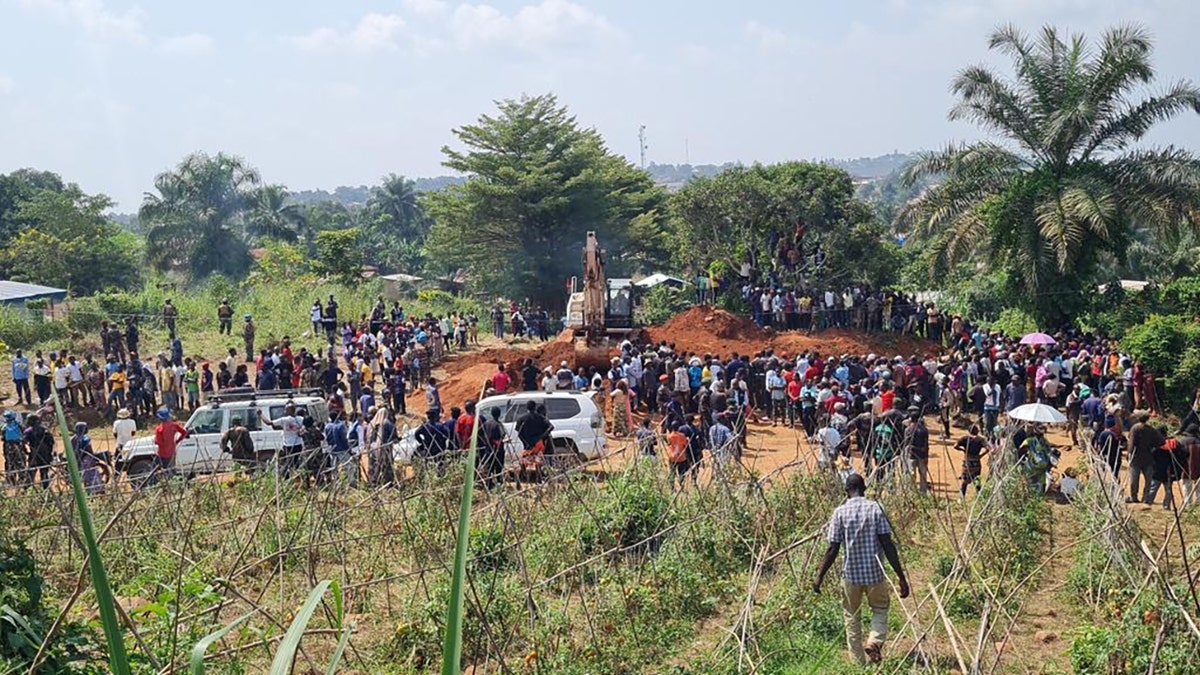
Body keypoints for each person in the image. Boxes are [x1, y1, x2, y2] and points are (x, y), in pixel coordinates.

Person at [813, 473, 910, 666]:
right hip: (875, 574)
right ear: (864, 489)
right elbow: (887, 544)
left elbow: (833, 549)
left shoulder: (839, 513)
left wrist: (819, 577)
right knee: (880, 608)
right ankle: (874, 641)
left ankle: (858, 664)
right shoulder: (876, 508)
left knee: (851, 617)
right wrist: (901, 576)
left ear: (846, 492)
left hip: (851, 576)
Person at [1127, 411, 1164, 504]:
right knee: (1148, 479)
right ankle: (1146, 497)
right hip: (1148, 457)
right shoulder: (1151, 429)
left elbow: (1131, 442)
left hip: (1136, 457)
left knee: (1134, 479)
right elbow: (1161, 441)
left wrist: (1129, 453)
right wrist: (1152, 447)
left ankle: (1133, 496)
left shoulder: (1134, 428)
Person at [261, 403, 305, 477]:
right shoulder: (301, 419)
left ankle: (288, 478)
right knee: (297, 462)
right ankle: (298, 477)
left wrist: (261, 414)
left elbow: (269, 423)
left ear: (290, 410)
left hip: (288, 445)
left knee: (288, 463)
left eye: (286, 409)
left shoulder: (284, 420)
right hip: (298, 444)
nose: (285, 411)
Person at [515, 400, 552, 485]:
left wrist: (525, 442)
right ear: (535, 407)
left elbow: (519, 433)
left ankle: (523, 478)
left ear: (527, 408)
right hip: (538, 443)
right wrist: (542, 437)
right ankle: (539, 479)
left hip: (527, 444)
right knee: (538, 461)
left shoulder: (521, 419)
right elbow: (550, 427)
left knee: (524, 461)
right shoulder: (540, 417)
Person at [152, 408, 187, 484]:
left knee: (154, 470)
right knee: (171, 470)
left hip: (162, 454)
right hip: (171, 452)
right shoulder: (174, 425)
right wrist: (177, 441)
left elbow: (158, 442)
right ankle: (174, 484)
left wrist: (155, 441)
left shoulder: (159, 429)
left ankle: (153, 485)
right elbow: (184, 433)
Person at [954, 425, 989, 499]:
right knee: (977, 479)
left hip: (967, 461)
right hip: (976, 462)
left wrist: (963, 450)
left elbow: (955, 446)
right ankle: (979, 497)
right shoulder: (980, 440)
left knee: (964, 481)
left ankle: (962, 497)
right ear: (976, 431)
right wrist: (980, 456)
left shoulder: (965, 438)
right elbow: (988, 448)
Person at [415, 408, 452, 477]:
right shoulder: (440, 426)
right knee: (440, 463)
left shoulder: (425, 426)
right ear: (435, 416)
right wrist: (443, 440)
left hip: (428, 448)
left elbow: (416, 434)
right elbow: (447, 433)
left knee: (428, 462)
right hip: (439, 448)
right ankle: (441, 475)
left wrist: (422, 442)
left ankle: (428, 475)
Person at [71, 421, 104, 494]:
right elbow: (89, 449)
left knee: (83, 476)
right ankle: (96, 490)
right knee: (92, 474)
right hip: (86, 459)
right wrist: (93, 457)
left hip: (76, 459)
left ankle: (87, 491)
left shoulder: (72, 438)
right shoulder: (85, 438)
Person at [477, 407, 507, 488]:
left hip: (488, 449)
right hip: (498, 449)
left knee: (489, 467)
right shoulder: (498, 424)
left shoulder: (486, 423)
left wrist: (485, 441)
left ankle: (489, 483)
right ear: (499, 414)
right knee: (498, 467)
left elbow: (479, 433)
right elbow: (502, 434)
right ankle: (499, 483)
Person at [1018, 424, 1053, 493]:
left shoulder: (1030, 441)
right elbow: (1049, 451)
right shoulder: (1042, 441)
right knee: (1038, 482)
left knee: (1034, 483)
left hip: (1035, 466)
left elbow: (1020, 451)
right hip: (1038, 466)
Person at [903, 408, 931, 493]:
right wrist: (926, 455)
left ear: (911, 419)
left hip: (911, 454)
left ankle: (911, 492)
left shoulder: (908, 430)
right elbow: (926, 444)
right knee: (923, 474)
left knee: (911, 474)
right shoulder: (924, 429)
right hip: (922, 455)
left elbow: (906, 443)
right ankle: (923, 492)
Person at [25, 415, 55, 490]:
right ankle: (45, 489)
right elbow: (51, 442)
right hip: (45, 455)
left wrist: (26, 451)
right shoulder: (45, 430)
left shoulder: (28, 431)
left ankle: (28, 489)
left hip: (34, 455)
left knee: (31, 473)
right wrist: (49, 453)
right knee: (44, 473)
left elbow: (23, 441)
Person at [3, 411, 28, 487]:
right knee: (20, 462)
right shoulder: (18, 424)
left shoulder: (4, 427)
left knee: (10, 463)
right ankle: (22, 480)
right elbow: (24, 433)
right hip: (18, 446)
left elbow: (3, 437)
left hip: (8, 446)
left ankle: (11, 481)